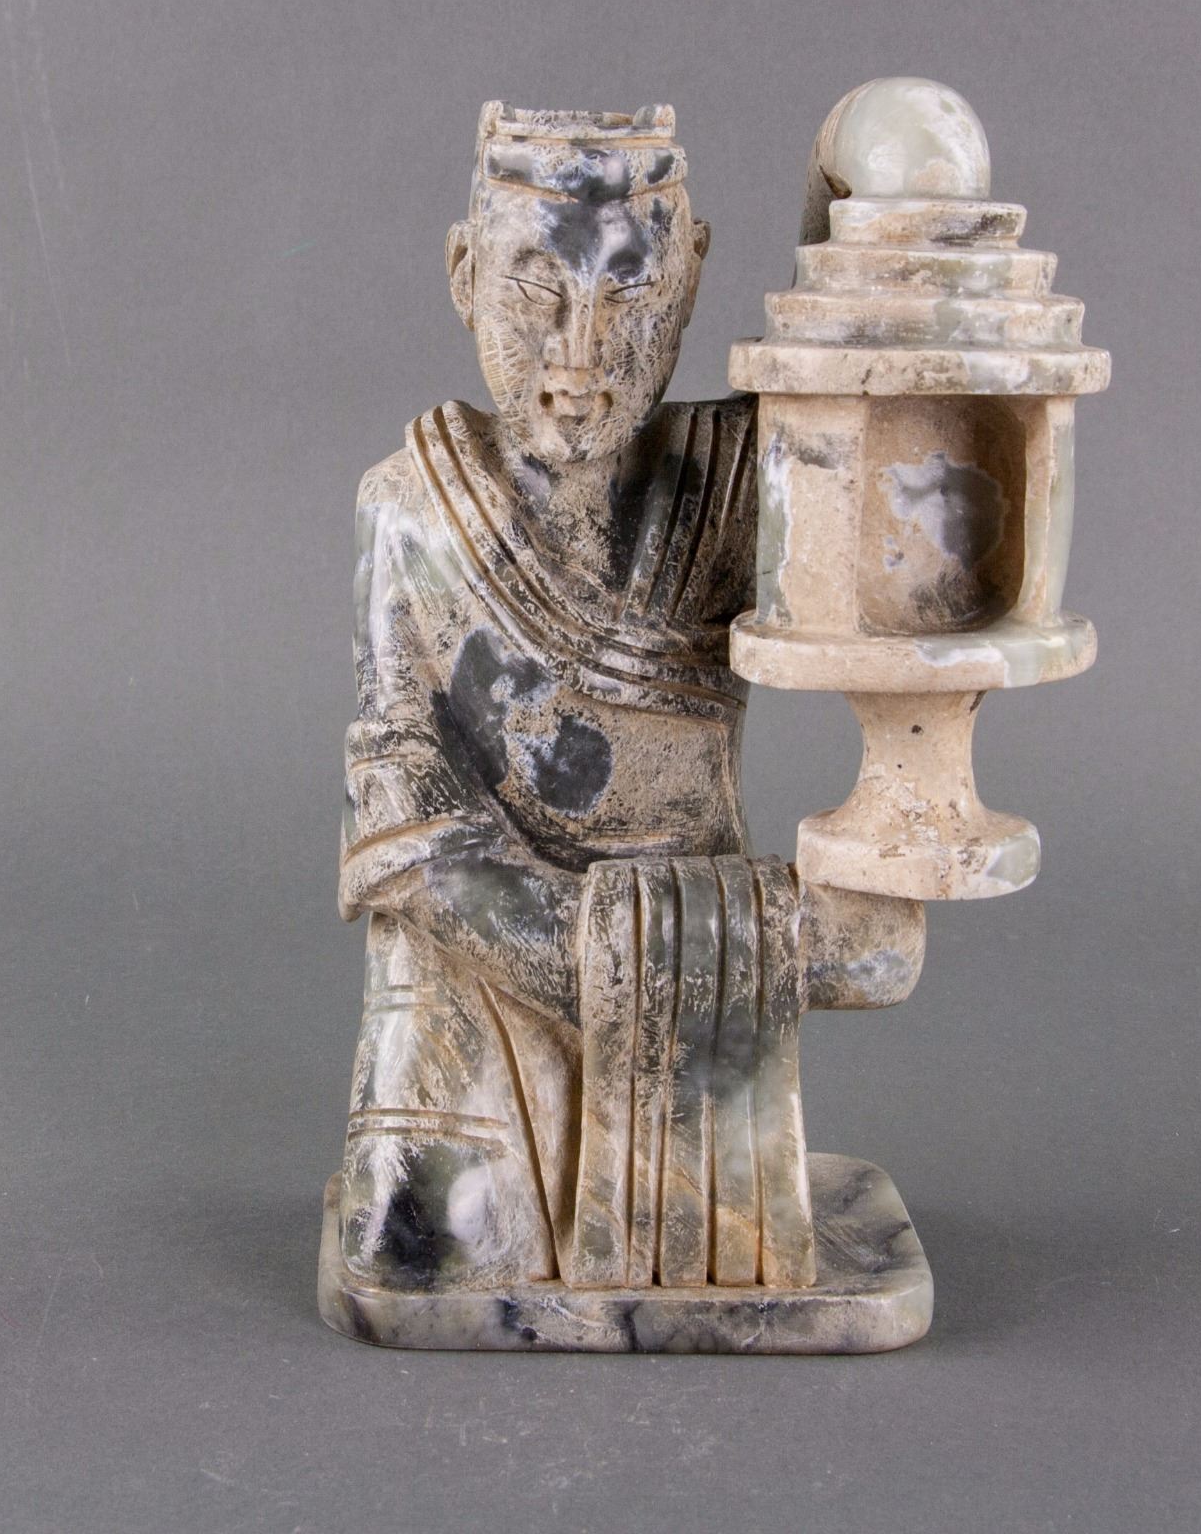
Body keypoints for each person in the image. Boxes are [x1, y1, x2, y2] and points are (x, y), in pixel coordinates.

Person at [333, 104, 921, 1296]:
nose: (575, 363)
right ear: (463, 275)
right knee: (423, 1238)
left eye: (630, 296)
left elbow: (885, 447)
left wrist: (875, 187)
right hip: (485, 967)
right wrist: (658, 959)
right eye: (534, 290)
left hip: (689, 964)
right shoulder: (412, 510)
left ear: (692, 276)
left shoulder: (736, 484)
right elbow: (405, 833)